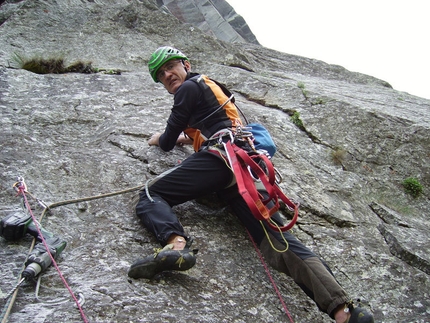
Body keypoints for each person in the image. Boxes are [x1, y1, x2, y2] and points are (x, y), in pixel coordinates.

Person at [128, 46, 374, 323]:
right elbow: (213, 125)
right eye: (161, 75)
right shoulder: (209, 87)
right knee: (278, 241)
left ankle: (175, 245)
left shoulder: (187, 88)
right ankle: (343, 311)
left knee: (151, 192)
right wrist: (188, 139)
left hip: (220, 161)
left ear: (185, 64)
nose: (167, 75)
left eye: (170, 67)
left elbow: (169, 138)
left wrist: (158, 138)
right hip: (244, 171)